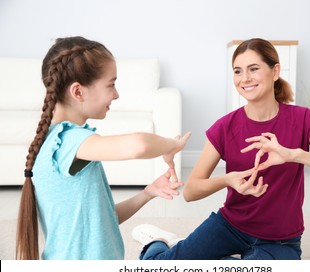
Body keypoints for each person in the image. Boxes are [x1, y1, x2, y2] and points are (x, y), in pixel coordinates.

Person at [132, 38, 310, 260]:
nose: (245, 78)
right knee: (158, 268)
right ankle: (158, 242)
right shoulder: (225, 127)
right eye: (238, 71)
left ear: (275, 71)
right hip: (230, 226)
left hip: (280, 240)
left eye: (254, 69)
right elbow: (191, 192)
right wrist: (227, 180)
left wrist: (295, 154)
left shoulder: (302, 118)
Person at [15, 36, 191, 260]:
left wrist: (148, 193)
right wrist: (171, 145)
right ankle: (156, 246)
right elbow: (139, 145)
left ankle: (155, 244)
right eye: (111, 84)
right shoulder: (69, 142)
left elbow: (103, 221)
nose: (116, 94)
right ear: (78, 92)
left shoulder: (56, 142)